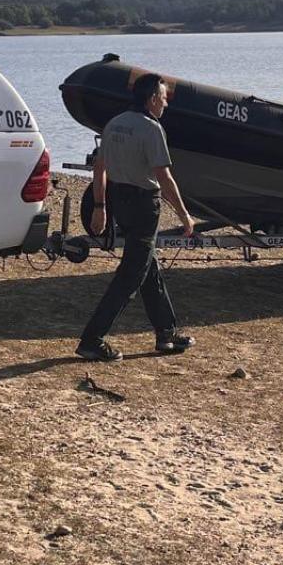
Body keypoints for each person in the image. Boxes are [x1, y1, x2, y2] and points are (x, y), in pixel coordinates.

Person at [76, 73, 197, 361]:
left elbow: (99, 169)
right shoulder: (151, 129)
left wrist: (100, 206)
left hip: (121, 202)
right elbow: (164, 177)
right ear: (153, 98)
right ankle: (92, 338)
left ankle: (166, 333)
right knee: (131, 275)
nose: (165, 105)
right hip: (144, 205)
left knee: (148, 265)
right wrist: (184, 215)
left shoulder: (114, 123)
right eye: (164, 99)